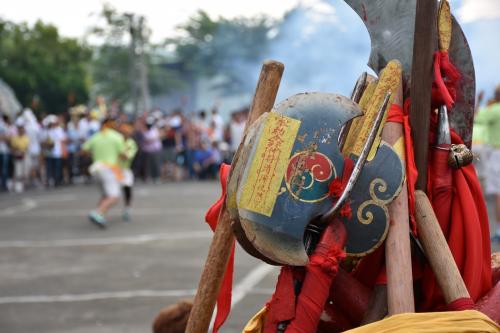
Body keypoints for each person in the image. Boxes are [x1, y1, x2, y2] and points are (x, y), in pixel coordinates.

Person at [82, 118, 125, 228]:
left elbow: (84, 150)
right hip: (109, 168)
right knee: (114, 196)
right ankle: (97, 213)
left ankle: (100, 215)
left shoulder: (95, 136)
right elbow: (123, 155)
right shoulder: (116, 136)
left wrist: (93, 155)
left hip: (96, 168)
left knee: (105, 195)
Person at [474, 84, 500, 241]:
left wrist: (479, 100)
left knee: (498, 192)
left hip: (497, 153)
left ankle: (498, 231)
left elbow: (475, 116)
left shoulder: (495, 110)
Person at [118, 124, 138, 222]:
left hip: (125, 169)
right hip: (114, 169)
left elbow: (127, 156)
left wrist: (119, 152)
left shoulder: (131, 143)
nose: (124, 134)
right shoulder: (116, 141)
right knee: (111, 193)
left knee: (127, 189)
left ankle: (127, 209)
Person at [10, 120, 30, 192]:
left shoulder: (26, 137)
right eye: (19, 128)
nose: (21, 130)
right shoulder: (15, 138)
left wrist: (21, 151)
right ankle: (15, 185)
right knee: (17, 171)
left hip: (24, 155)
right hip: (17, 155)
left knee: (25, 171)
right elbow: (13, 147)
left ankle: (24, 185)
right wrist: (17, 150)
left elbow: (26, 147)